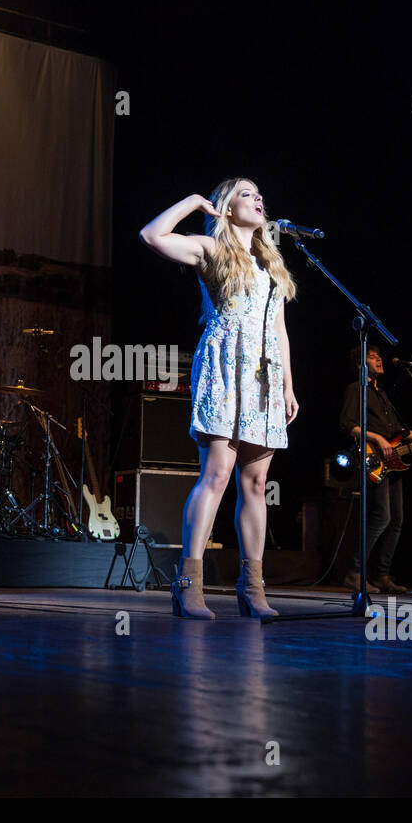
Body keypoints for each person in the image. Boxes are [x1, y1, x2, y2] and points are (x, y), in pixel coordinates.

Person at [140, 178, 298, 619]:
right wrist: (193, 202)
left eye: (260, 193)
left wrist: (287, 385)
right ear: (226, 208)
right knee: (218, 473)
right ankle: (188, 583)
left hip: (265, 377)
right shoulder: (211, 251)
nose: (258, 198)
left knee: (255, 484)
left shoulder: (271, 265)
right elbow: (151, 236)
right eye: (246, 194)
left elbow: (279, 329)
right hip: (225, 368)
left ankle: (253, 587)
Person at [339, 345, 412, 595]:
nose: (379, 360)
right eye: (372, 357)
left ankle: (382, 575)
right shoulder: (357, 389)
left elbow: (401, 433)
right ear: (360, 365)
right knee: (382, 517)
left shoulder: (382, 395)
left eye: (379, 357)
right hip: (371, 458)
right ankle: (355, 573)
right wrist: (377, 439)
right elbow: (347, 425)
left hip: (392, 462)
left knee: (396, 520)